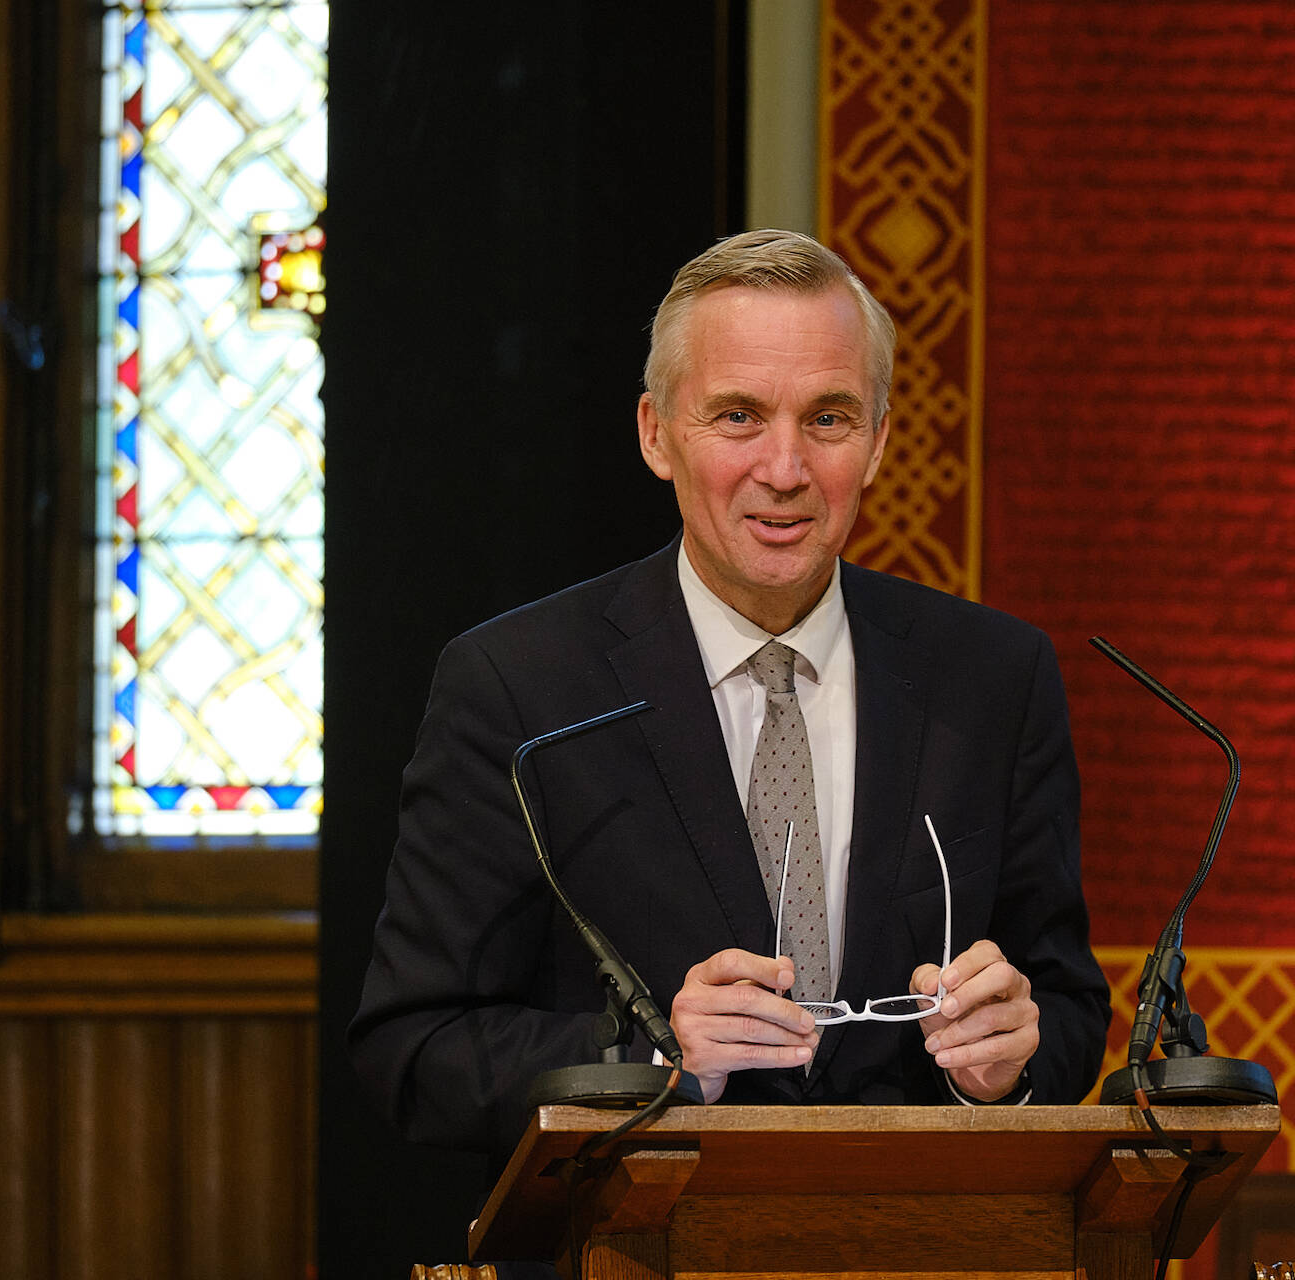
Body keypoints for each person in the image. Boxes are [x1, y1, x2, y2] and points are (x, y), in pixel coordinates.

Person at [350, 229, 1110, 1176]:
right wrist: (651, 1061)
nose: (785, 470)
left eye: (828, 419)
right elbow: (411, 1051)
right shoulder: (518, 688)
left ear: (877, 441)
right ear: (656, 435)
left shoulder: (994, 678)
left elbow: (1067, 1009)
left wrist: (1005, 1067)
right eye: (740, 417)